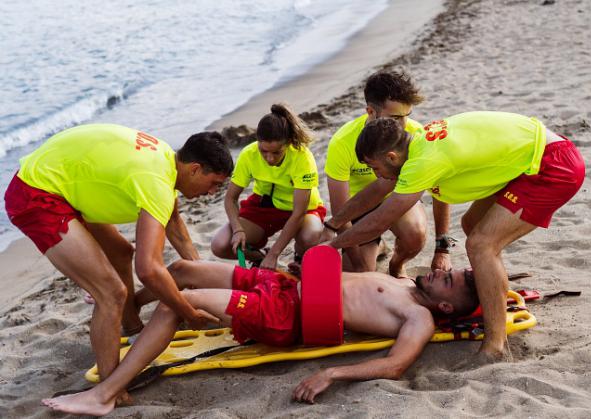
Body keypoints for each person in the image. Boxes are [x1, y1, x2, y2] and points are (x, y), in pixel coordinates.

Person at [41, 258, 479, 415]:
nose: (443, 271)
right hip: (285, 286)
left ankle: (105, 394)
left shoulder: (418, 317)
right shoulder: (405, 283)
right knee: (178, 271)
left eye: (450, 280)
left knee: (179, 301)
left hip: (286, 316)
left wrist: (332, 373)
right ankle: (127, 310)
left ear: (444, 307)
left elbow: (396, 364)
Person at [321, 112, 585, 361]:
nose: (376, 175)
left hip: (550, 165)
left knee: (482, 245)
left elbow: (379, 220)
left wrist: (332, 246)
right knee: (473, 226)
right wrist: (334, 223)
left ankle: (495, 345)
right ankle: (491, 292)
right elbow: (378, 190)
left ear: (390, 157)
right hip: (530, 158)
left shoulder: (423, 162)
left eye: (375, 168)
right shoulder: (415, 147)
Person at [4, 124, 233, 384]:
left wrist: (203, 276)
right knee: (111, 293)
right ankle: (111, 384)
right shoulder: (157, 183)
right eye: (213, 184)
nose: (213, 192)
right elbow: (148, 270)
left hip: (65, 183)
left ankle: (133, 327)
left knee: (122, 252)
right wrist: (190, 313)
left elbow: (176, 228)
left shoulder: (167, 161)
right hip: (35, 194)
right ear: (194, 169)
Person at [323, 70, 452, 277]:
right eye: (395, 117)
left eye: (406, 117)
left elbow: (441, 191)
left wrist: (442, 249)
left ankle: (397, 264)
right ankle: (376, 245)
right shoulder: (342, 142)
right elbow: (340, 210)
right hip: (357, 209)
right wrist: (358, 266)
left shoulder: (415, 134)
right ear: (371, 112)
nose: (402, 125)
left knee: (415, 234)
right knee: (361, 273)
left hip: (398, 199)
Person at [211, 103, 326, 270]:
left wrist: (275, 253)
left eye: (276, 152)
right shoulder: (248, 154)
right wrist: (237, 230)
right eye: (263, 151)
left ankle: (300, 258)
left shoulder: (302, 156)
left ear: (288, 143)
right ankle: (259, 257)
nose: (269, 158)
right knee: (220, 244)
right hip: (265, 206)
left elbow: (299, 212)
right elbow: (230, 198)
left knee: (311, 236)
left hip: (301, 210)